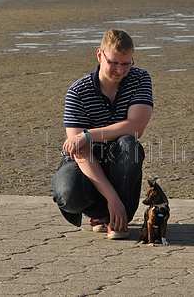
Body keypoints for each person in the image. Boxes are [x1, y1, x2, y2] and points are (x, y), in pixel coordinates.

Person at [51, 29, 153, 240]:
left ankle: (116, 219)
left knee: (129, 144)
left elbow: (136, 127)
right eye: (114, 62)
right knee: (66, 192)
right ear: (100, 55)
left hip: (120, 159)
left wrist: (87, 135)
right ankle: (102, 213)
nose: (120, 70)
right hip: (84, 161)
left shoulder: (140, 78)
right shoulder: (78, 92)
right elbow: (81, 153)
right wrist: (112, 197)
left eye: (126, 63)